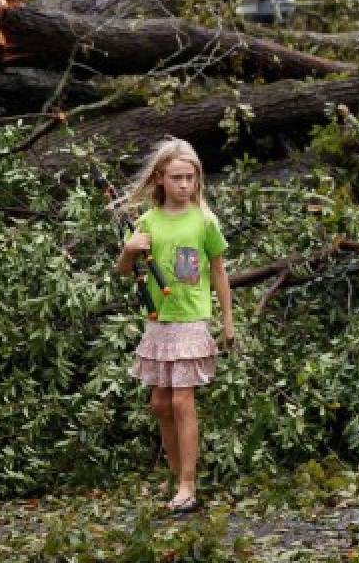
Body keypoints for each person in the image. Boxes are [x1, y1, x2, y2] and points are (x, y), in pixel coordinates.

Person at [115, 137, 234, 514]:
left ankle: (188, 483)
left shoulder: (204, 221)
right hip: (158, 322)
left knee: (183, 400)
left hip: (192, 320)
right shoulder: (147, 222)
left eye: (191, 178)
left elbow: (219, 272)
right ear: (160, 180)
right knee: (160, 402)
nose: (185, 185)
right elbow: (123, 270)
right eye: (178, 178)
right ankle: (176, 475)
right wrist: (129, 250)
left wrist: (227, 321)